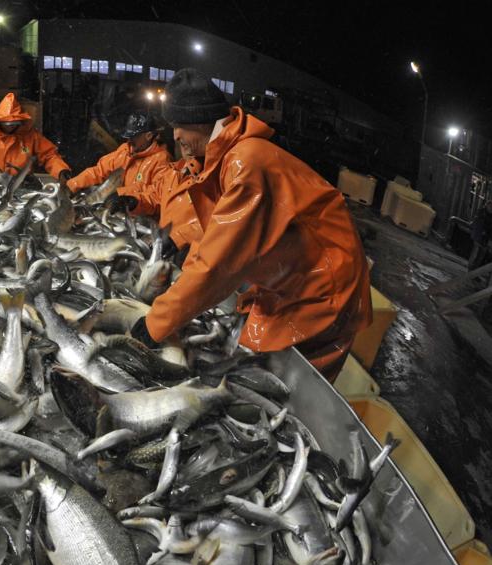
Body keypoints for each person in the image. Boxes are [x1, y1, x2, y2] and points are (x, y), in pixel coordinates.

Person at [123, 68, 372, 382]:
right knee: (252, 357)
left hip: (324, 287)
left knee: (281, 384)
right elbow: (225, 224)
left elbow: (218, 264)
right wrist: (181, 237)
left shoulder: (246, 164)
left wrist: (154, 324)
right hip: (293, 276)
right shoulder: (225, 158)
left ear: (198, 122)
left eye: (178, 127)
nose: (175, 137)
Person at [66, 112, 171, 199]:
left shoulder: (162, 160)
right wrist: (71, 185)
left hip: (141, 220)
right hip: (119, 211)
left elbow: (157, 193)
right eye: (128, 136)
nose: (129, 140)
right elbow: (99, 171)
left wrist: (121, 194)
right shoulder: (125, 151)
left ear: (148, 136)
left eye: (134, 136)